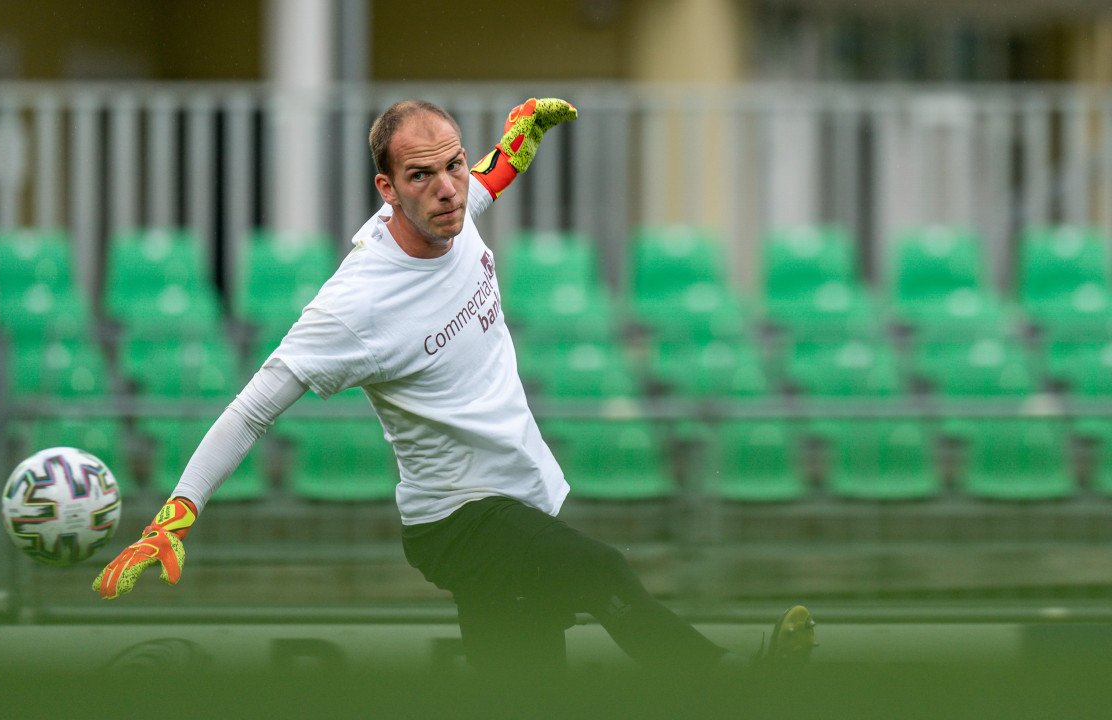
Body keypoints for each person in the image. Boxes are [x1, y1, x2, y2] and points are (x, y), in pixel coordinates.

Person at [93, 98, 817, 674]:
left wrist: (521, 139)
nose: (446, 188)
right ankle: (736, 682)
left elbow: (489, 182)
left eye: (454, 165)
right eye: (420, 176)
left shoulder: (456, 205)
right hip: (459, 520)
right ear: (387, 189)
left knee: (526, 686)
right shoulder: (355, 305)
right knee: (602, 570)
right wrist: (177, 514)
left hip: (517, 494)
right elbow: (251, 409)